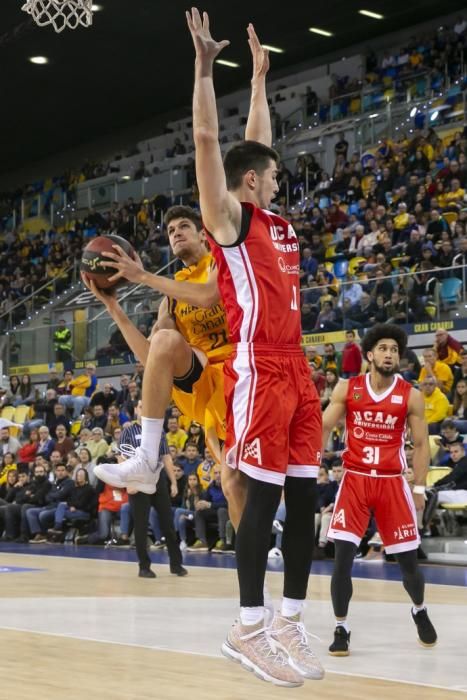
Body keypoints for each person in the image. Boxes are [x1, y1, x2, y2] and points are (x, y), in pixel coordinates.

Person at [185, 11, 323, 686]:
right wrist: (207, 69)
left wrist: (262, 78)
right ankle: (246, 628)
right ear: (249, 184)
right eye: (268, 175)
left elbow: (253, 142)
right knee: (260, 503)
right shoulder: (229, 222)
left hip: (297, 368)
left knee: (304, 502)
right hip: (259, 368)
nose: (277, 177)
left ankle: (288, 620)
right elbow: (214, 140)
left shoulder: (269, 216)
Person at [83, 203, 231, 494]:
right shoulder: (172, 297)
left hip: (243, 370)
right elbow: (153, 360)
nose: (176, 233)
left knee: (235, 482)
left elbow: (207, 297)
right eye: (170, 230)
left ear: (203, 235)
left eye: (184, 227)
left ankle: (267, 538)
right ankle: (147, 457)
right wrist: (114, 309)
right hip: (203, 380)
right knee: (163, 338)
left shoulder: (223, 261)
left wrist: (142, 276)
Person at [322, 324, 437, 656]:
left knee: (408, 565)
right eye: (384, 348)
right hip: (355, 480)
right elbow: (325, 425)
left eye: (395, 350)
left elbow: (420, 444)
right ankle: (341, 627)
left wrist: (419, 487)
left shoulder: (410, 395)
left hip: (391, 482)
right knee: (342, 561)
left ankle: (419, 609)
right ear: (370, 355)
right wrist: (312, 464)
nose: (390, 354)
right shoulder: (349, 388)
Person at [116, 400, 187, 578]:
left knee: (168, 524)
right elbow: (121, 457)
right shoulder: (128, 431)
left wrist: (173, 482)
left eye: (146, 406)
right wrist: (129, 482)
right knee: (141, 525)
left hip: (157, 480)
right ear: (135, 410)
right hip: (138, 480)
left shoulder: (158, 431)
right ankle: (144, 566)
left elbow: (166, 457)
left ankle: (176, 565)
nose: (144, 409)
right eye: (141, 407)